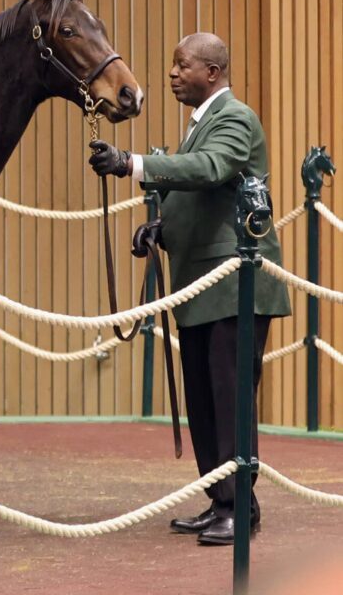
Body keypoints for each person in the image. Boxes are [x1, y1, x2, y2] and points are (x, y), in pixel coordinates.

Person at [88, 32, 291, 546]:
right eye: (173, 65)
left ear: (213, 73)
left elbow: (210, 169)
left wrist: (132, 164)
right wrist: (161, 228)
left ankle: (241, 508)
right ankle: (221, 499)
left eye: (183, 66)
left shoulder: (235, 119)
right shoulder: (203, 124)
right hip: (203, 284)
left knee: (229, 397)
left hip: (234, 286)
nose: (173, 74)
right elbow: (201, 194)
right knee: (204, 397)